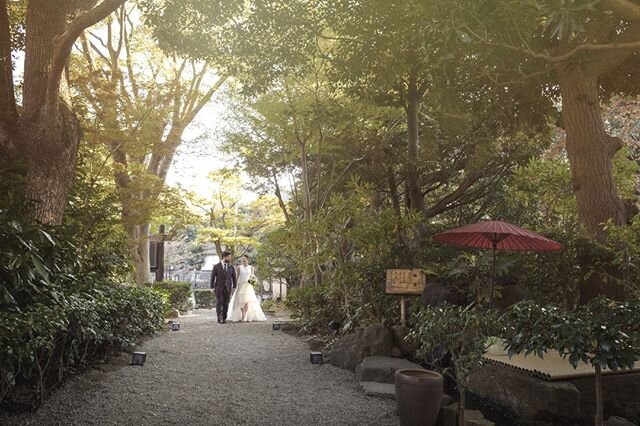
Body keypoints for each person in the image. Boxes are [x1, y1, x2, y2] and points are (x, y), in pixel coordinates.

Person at [227, 255, 267, 322]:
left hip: (248, 286)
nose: (243, 260)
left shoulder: (251, 268)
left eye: (245, 258)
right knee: (240, 301)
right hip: (241, 285)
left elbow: (252, 276)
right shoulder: (239, 267)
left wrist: (253, 282)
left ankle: (245, 315)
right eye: (242, 259)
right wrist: (235, 286)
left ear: (248, 259)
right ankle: (242, 314)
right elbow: (237, 277)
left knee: (247, 301)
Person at [210, 251, 237, 324]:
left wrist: (234, 286)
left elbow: (234, 278)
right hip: (219, 287)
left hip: (228, 287)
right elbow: (212, 277)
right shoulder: (216, 266)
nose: (229, 259)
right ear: (224, 257)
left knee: (226, 303)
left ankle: (224, 317)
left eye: (230, 257)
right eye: (228, 257)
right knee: (219, 302)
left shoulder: (231, 267)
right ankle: (219, 317)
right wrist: (212, 287)